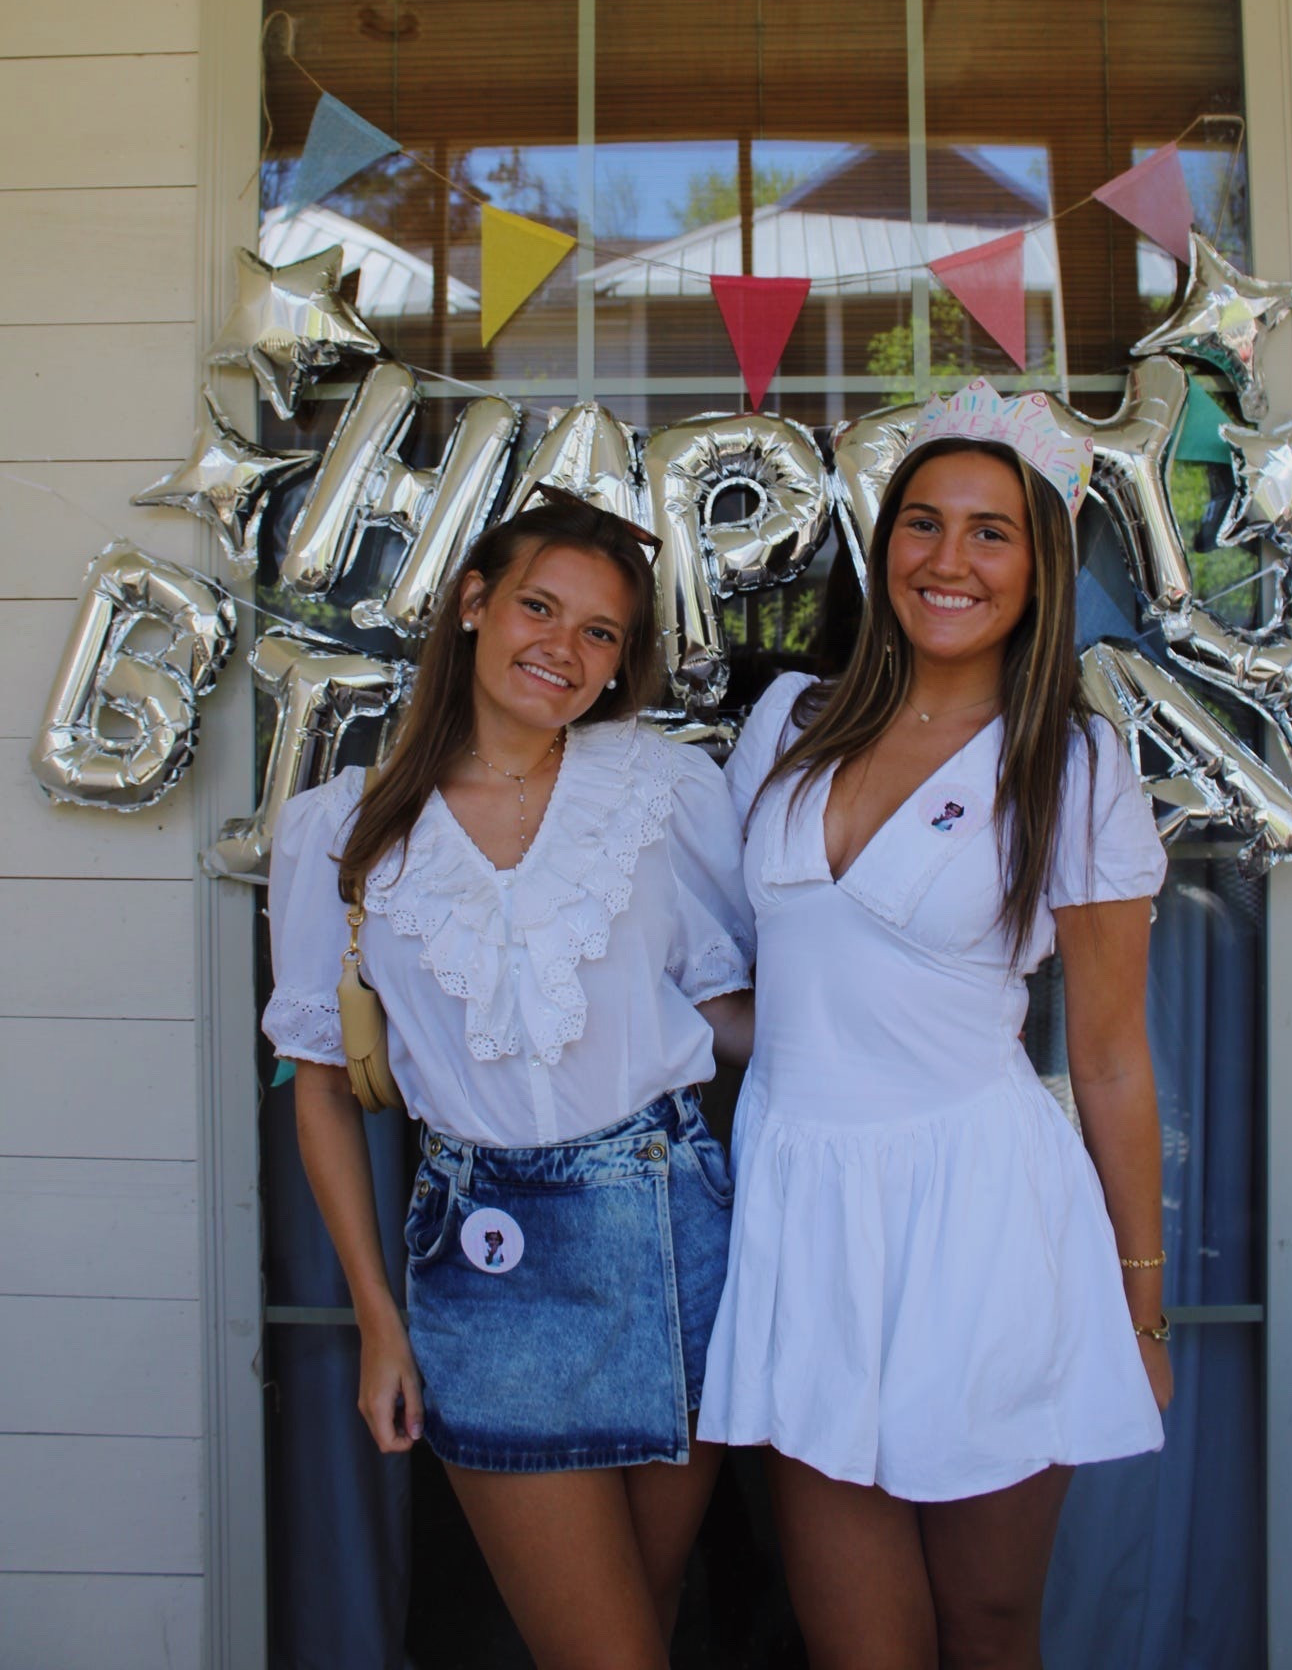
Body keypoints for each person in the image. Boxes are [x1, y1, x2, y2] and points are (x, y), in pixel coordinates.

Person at [698, 381, 1174, 1670]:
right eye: (921, 521)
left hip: (984, 1216)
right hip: (805, 1209)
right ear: (882, 540)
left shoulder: (1071, 766)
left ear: (1038, 568)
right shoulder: (786, 724)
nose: (946, 558)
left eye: (989, 531)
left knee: (986, 1619)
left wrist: (1140, 1307)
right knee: (858, 1640)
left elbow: (1112, 1055)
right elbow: (766, 992)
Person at [262, 488, 755, 1670]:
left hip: (677, 1222)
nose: (566, 647)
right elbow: (320, 1084)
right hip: (488, 1259)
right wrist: (382, 1321)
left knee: (650, 1607)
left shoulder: (661, 787)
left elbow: (727, 1005)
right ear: (474, 604)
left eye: (601, 632)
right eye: (540, 605)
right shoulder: (337, 831)